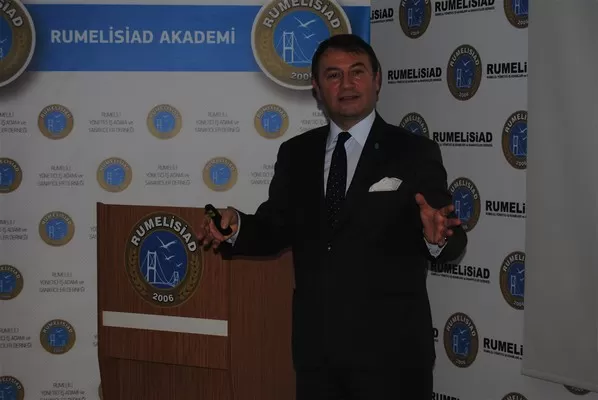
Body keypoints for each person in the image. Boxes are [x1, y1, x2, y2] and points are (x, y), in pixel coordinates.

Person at [198, 33, 467, 399]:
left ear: (377, 80)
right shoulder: (296, 153)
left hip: (393, 358)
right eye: (333, 75)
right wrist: (236, 226)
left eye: (357, 72)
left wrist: (437, 237)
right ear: (316, 86)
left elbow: (449, 233)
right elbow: (275, 227)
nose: (347, 84)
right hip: (317, 358)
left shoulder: (414, 152)